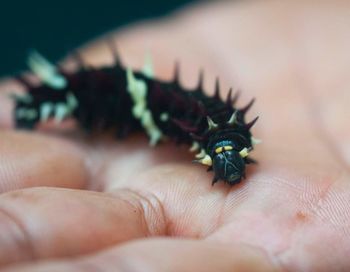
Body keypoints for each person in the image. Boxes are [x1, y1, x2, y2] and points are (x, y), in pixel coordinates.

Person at [0, 1, 349, 271]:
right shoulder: (201, 128)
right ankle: (46, 98)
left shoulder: (215, 131)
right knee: (101, 93)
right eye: (226, 153)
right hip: (65, 54)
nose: (229, 167)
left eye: (229, 154)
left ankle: (49, 97)